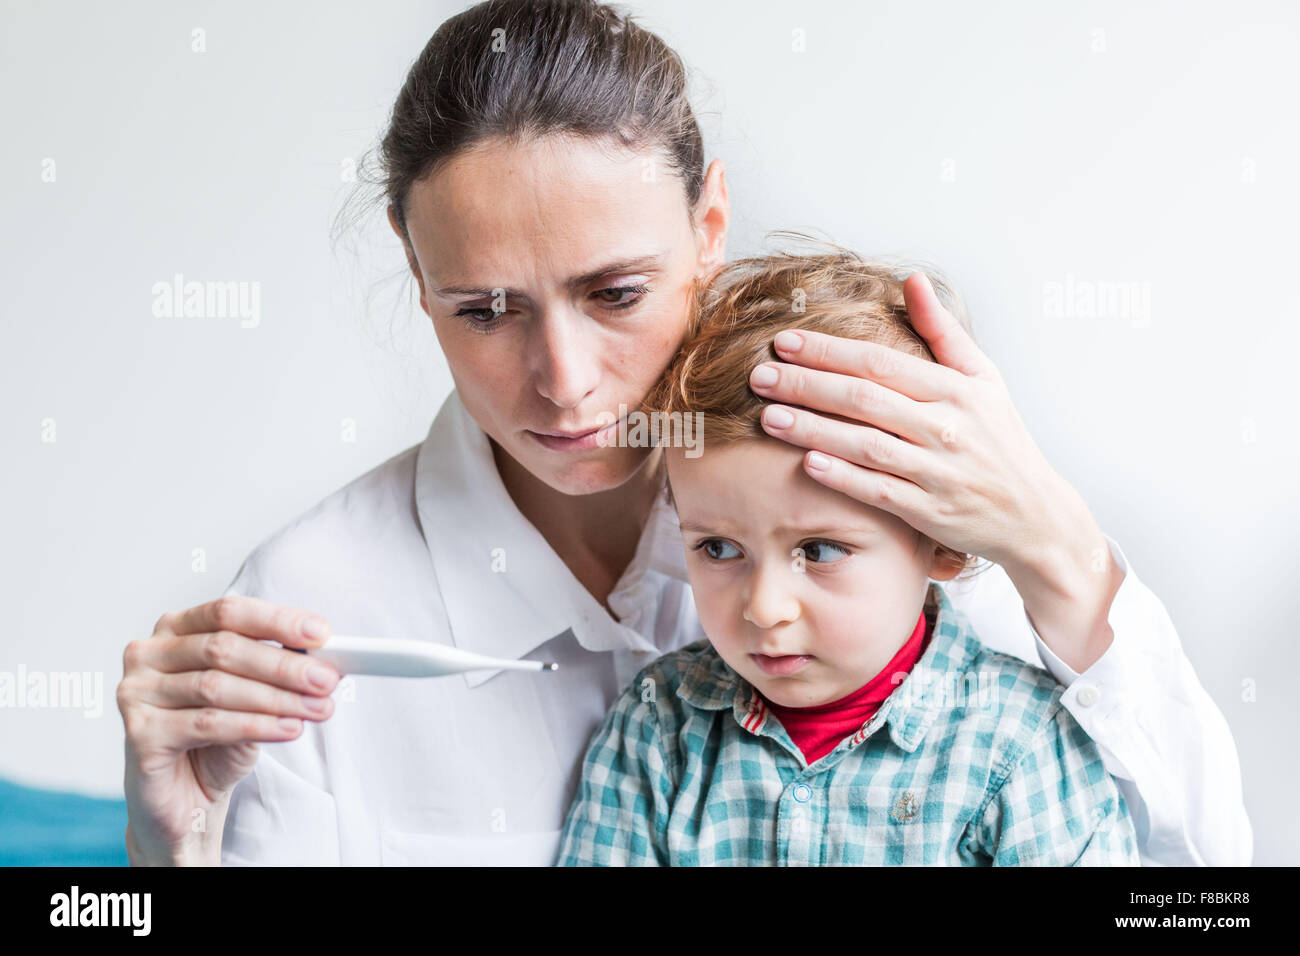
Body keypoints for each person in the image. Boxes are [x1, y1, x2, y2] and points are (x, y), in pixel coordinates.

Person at [116, 0, 1249, 866]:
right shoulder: (319, 605)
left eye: (614, 293)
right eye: (486, 310)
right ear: (420, 285)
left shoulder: (876, 492)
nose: (563, 385)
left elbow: (1199, 882)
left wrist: (1057, 545)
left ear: (709, 225)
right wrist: (170, 853)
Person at [556, 249, 1141, 866]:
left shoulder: (1020, 746)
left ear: (939, 543)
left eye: (821, 550)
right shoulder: (656, 730)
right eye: (719, 548)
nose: (765, 608)